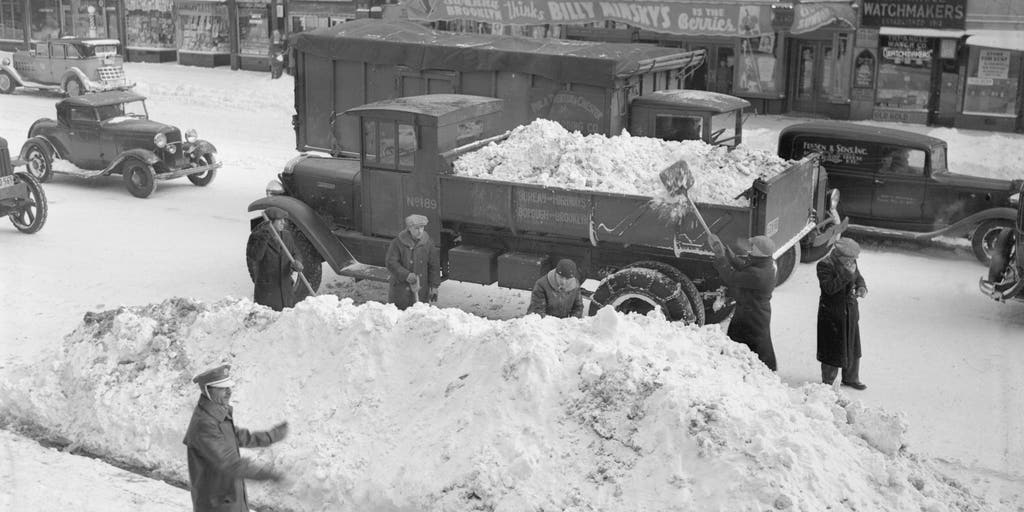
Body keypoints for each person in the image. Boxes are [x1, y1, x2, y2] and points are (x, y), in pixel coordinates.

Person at [183, 364, 289, 512]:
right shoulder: (205, 424)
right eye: (223, 388)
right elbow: (229, 463)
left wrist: (272, 436)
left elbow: (240, 437)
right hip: (216, 505)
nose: (229, 392)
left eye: (229, 387)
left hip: (228, 498)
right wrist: (265, 474)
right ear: (209, 390)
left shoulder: (216, 416)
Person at [707, 233, 778, 371]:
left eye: (753, 246)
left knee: (752, 343)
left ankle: (760, 370)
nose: (750, 248)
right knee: (758, 341)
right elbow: (746, 267)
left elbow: (732, 277)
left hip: (751, 314)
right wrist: (728, 253)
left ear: (760, 251)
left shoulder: (758, 275)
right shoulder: (769, 263)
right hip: (757, 310)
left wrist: (721, 259)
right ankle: (761, 367)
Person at [816, 238, 868, 390]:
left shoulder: (851, 263)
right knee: (832, 347)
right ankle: (828, 381)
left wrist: (861, 287)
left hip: (850, 310)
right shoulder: (825, 265)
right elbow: (829, 288)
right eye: (851, 258)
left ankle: (851, 377)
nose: (854, 261)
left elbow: (858, 277)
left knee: (852, 345)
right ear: (841, 255)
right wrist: (846, 274)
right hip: (833, 313)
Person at [246, 207, 304, 312]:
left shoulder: (286, 235)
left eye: (284, 219)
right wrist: (265, 235)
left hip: (286, 290)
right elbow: (255, 256)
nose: (283, 222)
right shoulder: (256, 236)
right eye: (280, 220)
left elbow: (295, 252)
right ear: (270, 222)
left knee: (287, 320)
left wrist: (298, 262)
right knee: (269, 322)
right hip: (268, 292)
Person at [385, 214, 440, 309]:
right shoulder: (397, 243)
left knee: (418, 317)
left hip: (421, 291)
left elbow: (433, 266)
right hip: (400, 291)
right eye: (416, 228)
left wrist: (434, 286)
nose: (420, 231)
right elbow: (391, 263)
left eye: (422, 228)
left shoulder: (428, 243)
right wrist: (406, 275)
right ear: (409, 228)